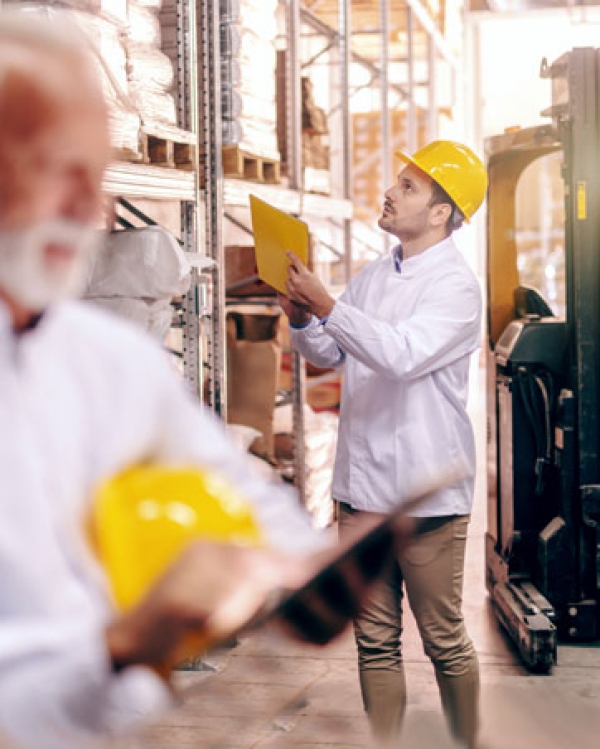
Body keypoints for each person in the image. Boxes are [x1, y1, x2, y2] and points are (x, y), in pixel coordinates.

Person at [0, 11, 403, 749]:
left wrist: (302, 566)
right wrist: (121, 646)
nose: (86, 208)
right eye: (47, 170)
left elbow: (227, 484)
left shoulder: (100, 356)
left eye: (90, 176)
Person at [279, 140, 487, 747]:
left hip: (427, 495)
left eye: (409, 186)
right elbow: (333, 351)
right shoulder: (376, 273)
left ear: (442, 212)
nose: (390, 192)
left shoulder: (457, 289)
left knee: (443, 639)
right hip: (362, 489)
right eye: (398, 181)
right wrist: (302, 318)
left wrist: (329, 306)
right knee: (374, 640)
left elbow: (400, 356)